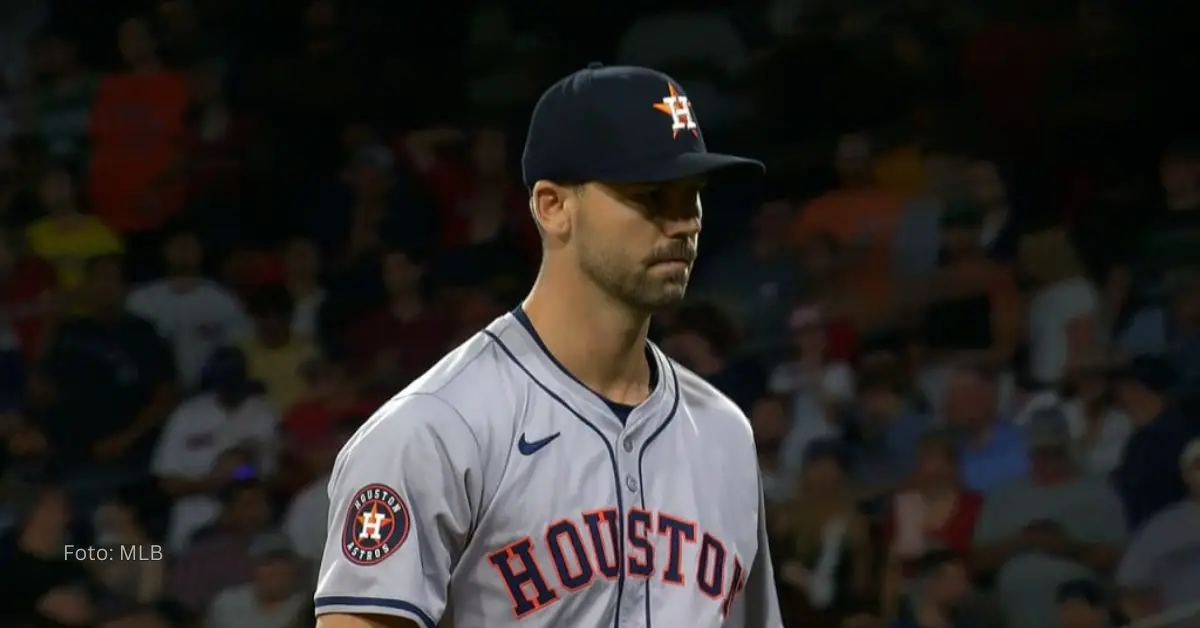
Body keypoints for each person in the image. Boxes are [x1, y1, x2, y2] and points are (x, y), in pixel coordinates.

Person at [315, 64, 782, 627]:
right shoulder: (436, 430)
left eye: (693, 196)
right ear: (553, 206)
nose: (684, 223)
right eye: (653, 196)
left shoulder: (725, 433)